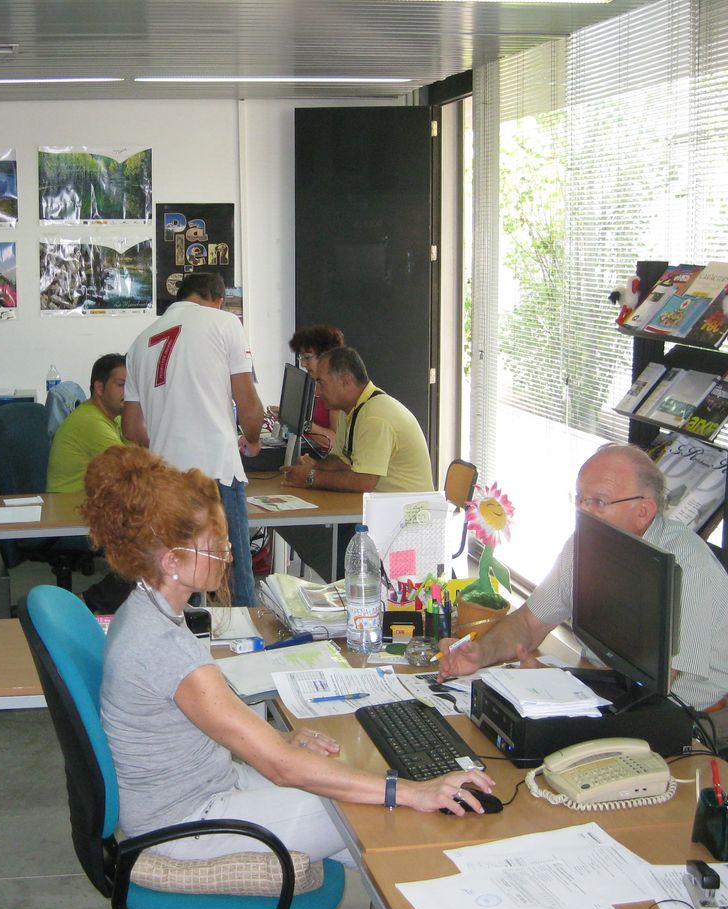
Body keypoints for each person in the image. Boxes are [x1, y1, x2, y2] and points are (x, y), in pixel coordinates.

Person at [83, 445, 496, 864]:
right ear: (171, 561)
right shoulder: (165, 648)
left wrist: (281, 737)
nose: (228, 558)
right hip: (183, 824)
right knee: (371, 809)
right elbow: (280, 767)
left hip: (206, 788)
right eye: (217, 548)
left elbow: (218, 725)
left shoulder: (143, 610)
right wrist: (408, 790)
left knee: (368, 804)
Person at [437, 443, 728, 749]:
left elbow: (652, 689)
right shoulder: (585, 543)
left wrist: (559, 686)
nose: (583, 512)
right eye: (580, 499)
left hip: (699, 725)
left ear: (643, 511)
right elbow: (530, 622)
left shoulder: (687, 567)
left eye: (599, 502)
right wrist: (481, 652)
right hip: (615, 700)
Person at [122, 272, 263, 607]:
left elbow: (132, 429)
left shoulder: (140, 343)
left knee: (180, 582)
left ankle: (184, 636)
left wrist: (169, 440)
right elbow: (248, 405)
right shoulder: (225, 323)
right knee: (235, 582)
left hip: (166, 479)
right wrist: (253, 439)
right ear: (219, 301)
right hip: (215, 472)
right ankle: (243, 636)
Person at [280, 346, 434, 494]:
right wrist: (315, 466)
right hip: (384, 504)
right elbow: (341, 460)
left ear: (346, 381)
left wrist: (310, 477)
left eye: (321, 383)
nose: (317, 391)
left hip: (407, 510)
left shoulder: (374, 416)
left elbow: (364, 481)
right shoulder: (351, 408)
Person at [46, 353, 127, 493]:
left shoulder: (116, 417)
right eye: (122, 385)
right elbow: (133, 469)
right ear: (99, 388)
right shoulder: (90, 423)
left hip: (90, 502)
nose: (129, 391)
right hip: (67, 504)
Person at [287, 325, 346, 452]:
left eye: (307, 358)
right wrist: (287, 416)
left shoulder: (337, 391)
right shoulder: (315, 382)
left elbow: (335, 441)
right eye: (301, 358)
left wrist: (303, 424)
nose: (303, 364)